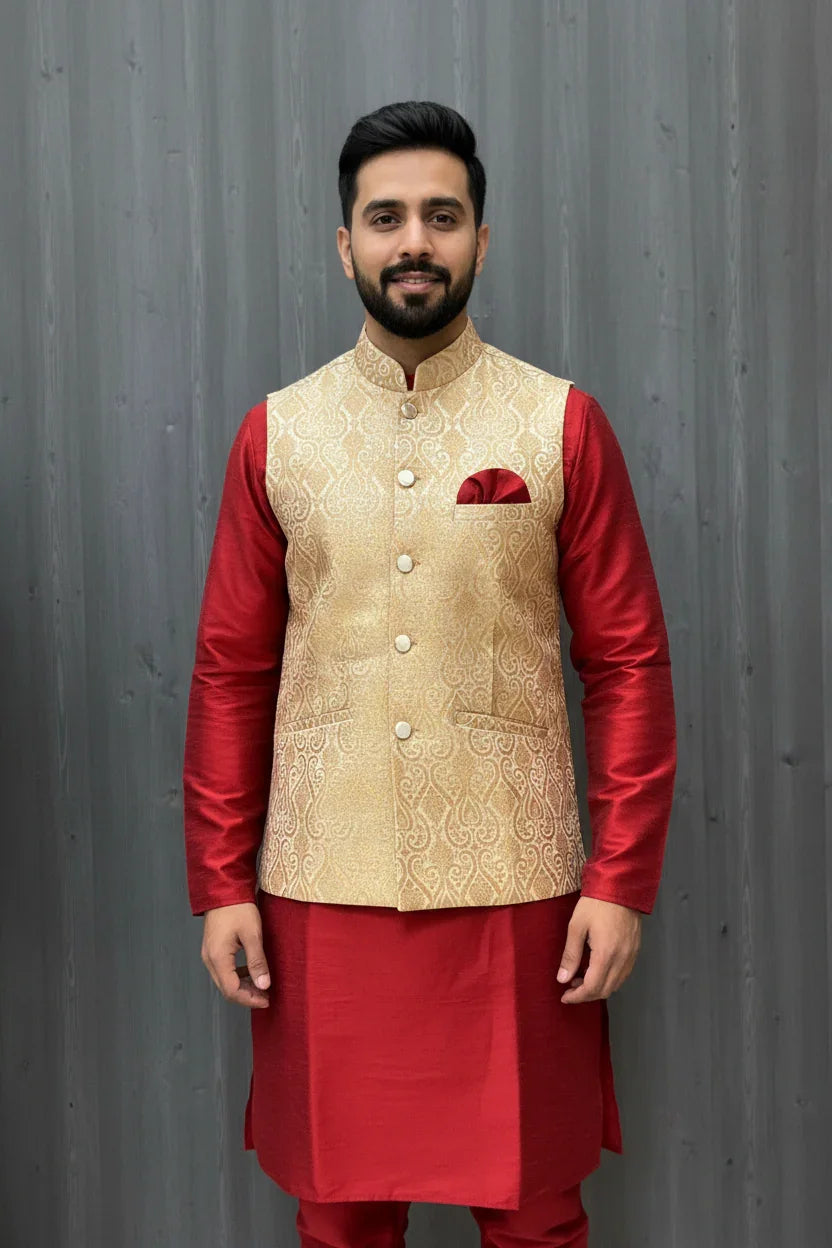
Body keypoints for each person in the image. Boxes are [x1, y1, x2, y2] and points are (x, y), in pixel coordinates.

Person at [183, 100, 677, 1248]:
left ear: (481, 241)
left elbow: (629, 663)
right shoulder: (279, 434)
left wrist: (619, 879)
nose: (416, 241)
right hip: (320, 888)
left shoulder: (558, 424)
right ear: (344, 243)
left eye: (442, 217)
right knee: (339, 1213)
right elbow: (228, 673)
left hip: (519, 892)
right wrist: (219, 884)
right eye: (387, 216)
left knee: (536, 1211)